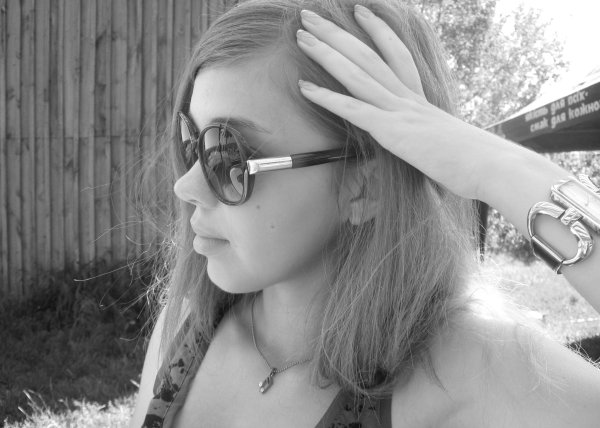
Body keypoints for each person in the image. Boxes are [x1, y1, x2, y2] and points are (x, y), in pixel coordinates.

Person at [130, 0, 600, 426]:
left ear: (365, 188)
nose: (185, 186)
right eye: (191, 142)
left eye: (228, 154)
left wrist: (495, 166)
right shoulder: (185, 331)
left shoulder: (467, 371)